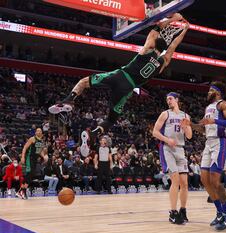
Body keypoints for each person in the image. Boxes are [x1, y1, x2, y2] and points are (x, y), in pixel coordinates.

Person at [49, 13, 189, 157]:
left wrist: (172, 19)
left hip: (120, 75)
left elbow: (157, 27)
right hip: (128, 88)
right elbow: (173, 45)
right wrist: (185, 29)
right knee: (111, 119)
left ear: (155, 44)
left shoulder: (148, 48)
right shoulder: (163, 63)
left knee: (84, 82)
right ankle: (93, 134)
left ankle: (69, 100)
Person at [183, 81, 226, 231]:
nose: (208, 92)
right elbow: (203, 129)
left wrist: (215, 120)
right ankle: (219, 212)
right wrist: (190, 124)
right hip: (209, 143)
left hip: (221, 142)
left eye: (211, 90)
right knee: (204, 179)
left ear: (218, 92)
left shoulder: (223, 105)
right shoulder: (208, 108)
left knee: (214, 178)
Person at [152, 92, 192, 224]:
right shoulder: (165, 114)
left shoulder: (186, 116)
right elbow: (155, 132)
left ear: (176, 100)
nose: (168, 101)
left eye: (170, 99)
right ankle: (173, 212)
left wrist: (185, 126)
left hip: (180, 149)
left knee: (184, 183)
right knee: (175, 180)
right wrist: (167, 139)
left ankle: (183, 210)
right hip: (167, 149)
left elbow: (190, 136)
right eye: (167, 99)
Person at [20, 128, 45, 199]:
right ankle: (23, 191)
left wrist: (44, 157)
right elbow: (24, 148)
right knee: (29, 173)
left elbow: (40, 151)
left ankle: (21, 191)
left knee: (30, 174)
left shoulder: (41, 141)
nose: (39, 132)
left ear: (42, 133)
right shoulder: (32, 139)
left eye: (40, 131)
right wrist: (22, 157)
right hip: (29, 158)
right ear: (35, 132)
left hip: (35, 159)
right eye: (37, 131)